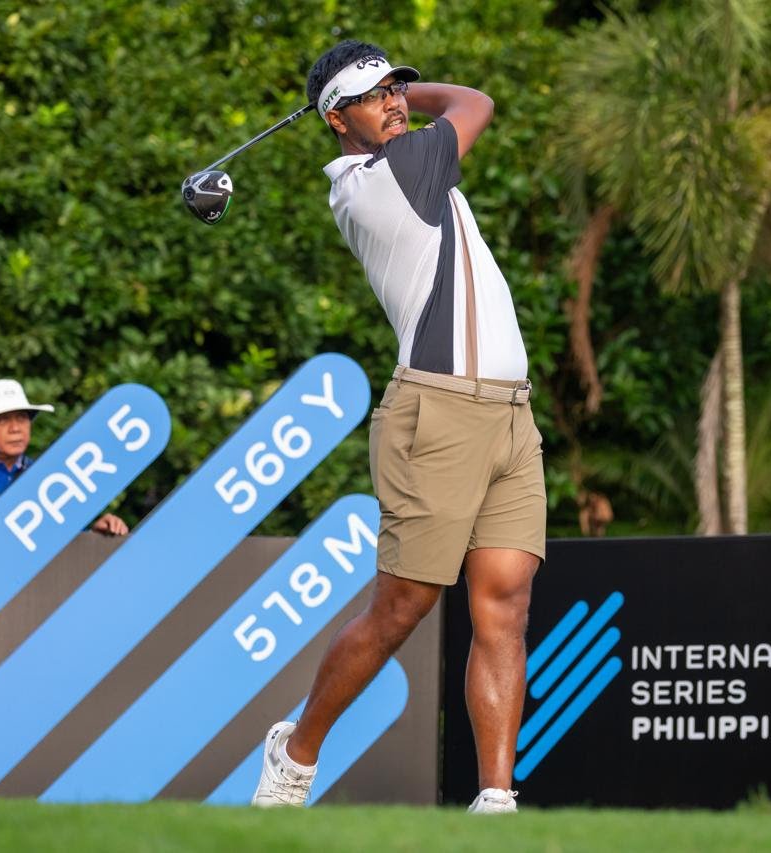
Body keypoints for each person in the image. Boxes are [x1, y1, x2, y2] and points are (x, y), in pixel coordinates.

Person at [251, 41, 543, 815]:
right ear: (335, 119)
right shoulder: (393, 175)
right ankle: (296, 750)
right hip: (439, 412)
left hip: (511, 409)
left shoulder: (403, 158)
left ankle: (494, 797)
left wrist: (388, 95)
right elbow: (474, 101)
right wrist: (422, 95)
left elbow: (442, 111)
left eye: (397, 89)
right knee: (401, 606)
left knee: (505, 601)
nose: (394, 101)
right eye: (373, 94)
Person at [0, 379, 129, 538]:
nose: (15, 429)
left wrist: (96, 530)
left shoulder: (52, 477)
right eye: (3, 420)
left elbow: (68, 538)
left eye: (22, 418)